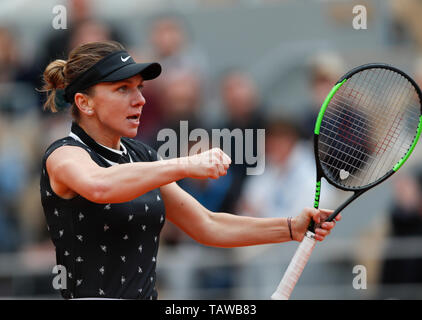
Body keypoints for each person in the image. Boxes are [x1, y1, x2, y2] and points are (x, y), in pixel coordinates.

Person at [40, 40, 340, 300]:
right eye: (122, 89)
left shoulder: (143, 156)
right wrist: (185, 164)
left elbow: (208, 224)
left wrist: (290, 228)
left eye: (139, 88)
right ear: (84, 103)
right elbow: (100, 186)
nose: (140, 99)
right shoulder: (64, 155)